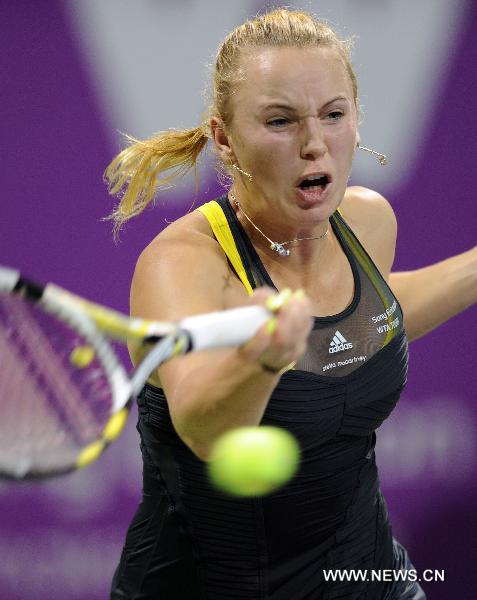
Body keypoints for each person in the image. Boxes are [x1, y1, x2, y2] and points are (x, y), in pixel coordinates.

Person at [105, 9, 476, 599]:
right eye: (280, 121)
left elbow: (367, 318)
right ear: (223, 139)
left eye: (333, 115)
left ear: (357, 121)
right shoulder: (183, 264)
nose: (313, 144)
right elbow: (203, 425)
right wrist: (263, 360)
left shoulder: (367, 221)